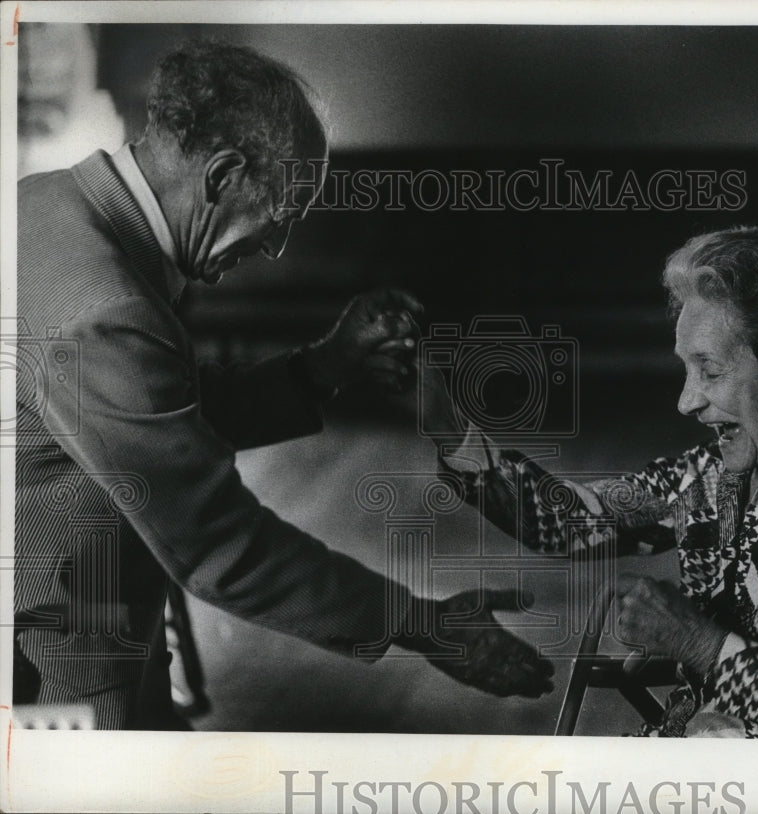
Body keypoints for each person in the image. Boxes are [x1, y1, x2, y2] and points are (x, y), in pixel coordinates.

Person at [13, 41, 553, 729]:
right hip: (62, 641)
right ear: (221, 175)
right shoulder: (105, 306)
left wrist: (324, 366)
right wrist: (421, 621)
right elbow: (215, 542)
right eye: (281, 216)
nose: (274, 248)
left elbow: (151, 418)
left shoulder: (46, 202)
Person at [418, 226, 758, 738]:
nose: (686, 402)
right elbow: (567, 520)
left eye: (710, 371)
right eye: (687, 370)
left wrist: (700, 644)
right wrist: (447, 427)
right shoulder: (714, 474)